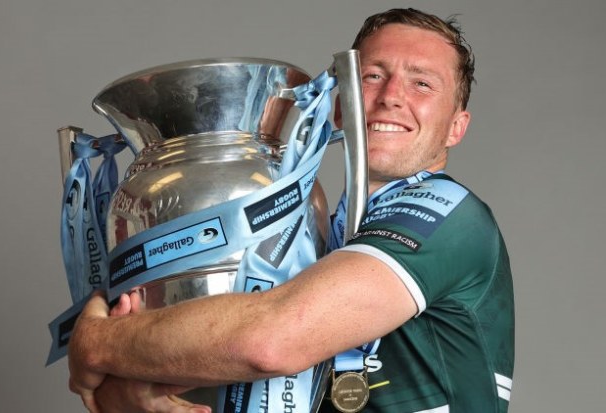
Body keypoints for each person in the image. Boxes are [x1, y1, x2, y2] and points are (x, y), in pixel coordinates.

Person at [68, 8, 515, 413]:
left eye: (421, 83)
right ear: (339, 105)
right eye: (373, 76)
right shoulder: (324, 235)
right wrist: (135, 396)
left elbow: (270, 341)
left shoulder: (446, 216)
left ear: (456, 127)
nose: (391, 96)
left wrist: (98, 343)